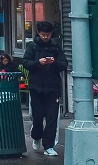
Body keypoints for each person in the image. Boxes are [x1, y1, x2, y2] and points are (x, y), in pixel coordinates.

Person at [23, 20, 68, 156]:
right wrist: (38, 63)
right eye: (43, 34)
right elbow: (26, 62)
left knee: (52, 118)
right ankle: (36, 136)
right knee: (37, 117)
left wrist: (54, 62)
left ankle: (49, 146)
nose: (45, 37)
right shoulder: (32, 46)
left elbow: (64, 64)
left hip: (53, 87)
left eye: (47, 34)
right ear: (38, 33)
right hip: (36, 86)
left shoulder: (55, 47)